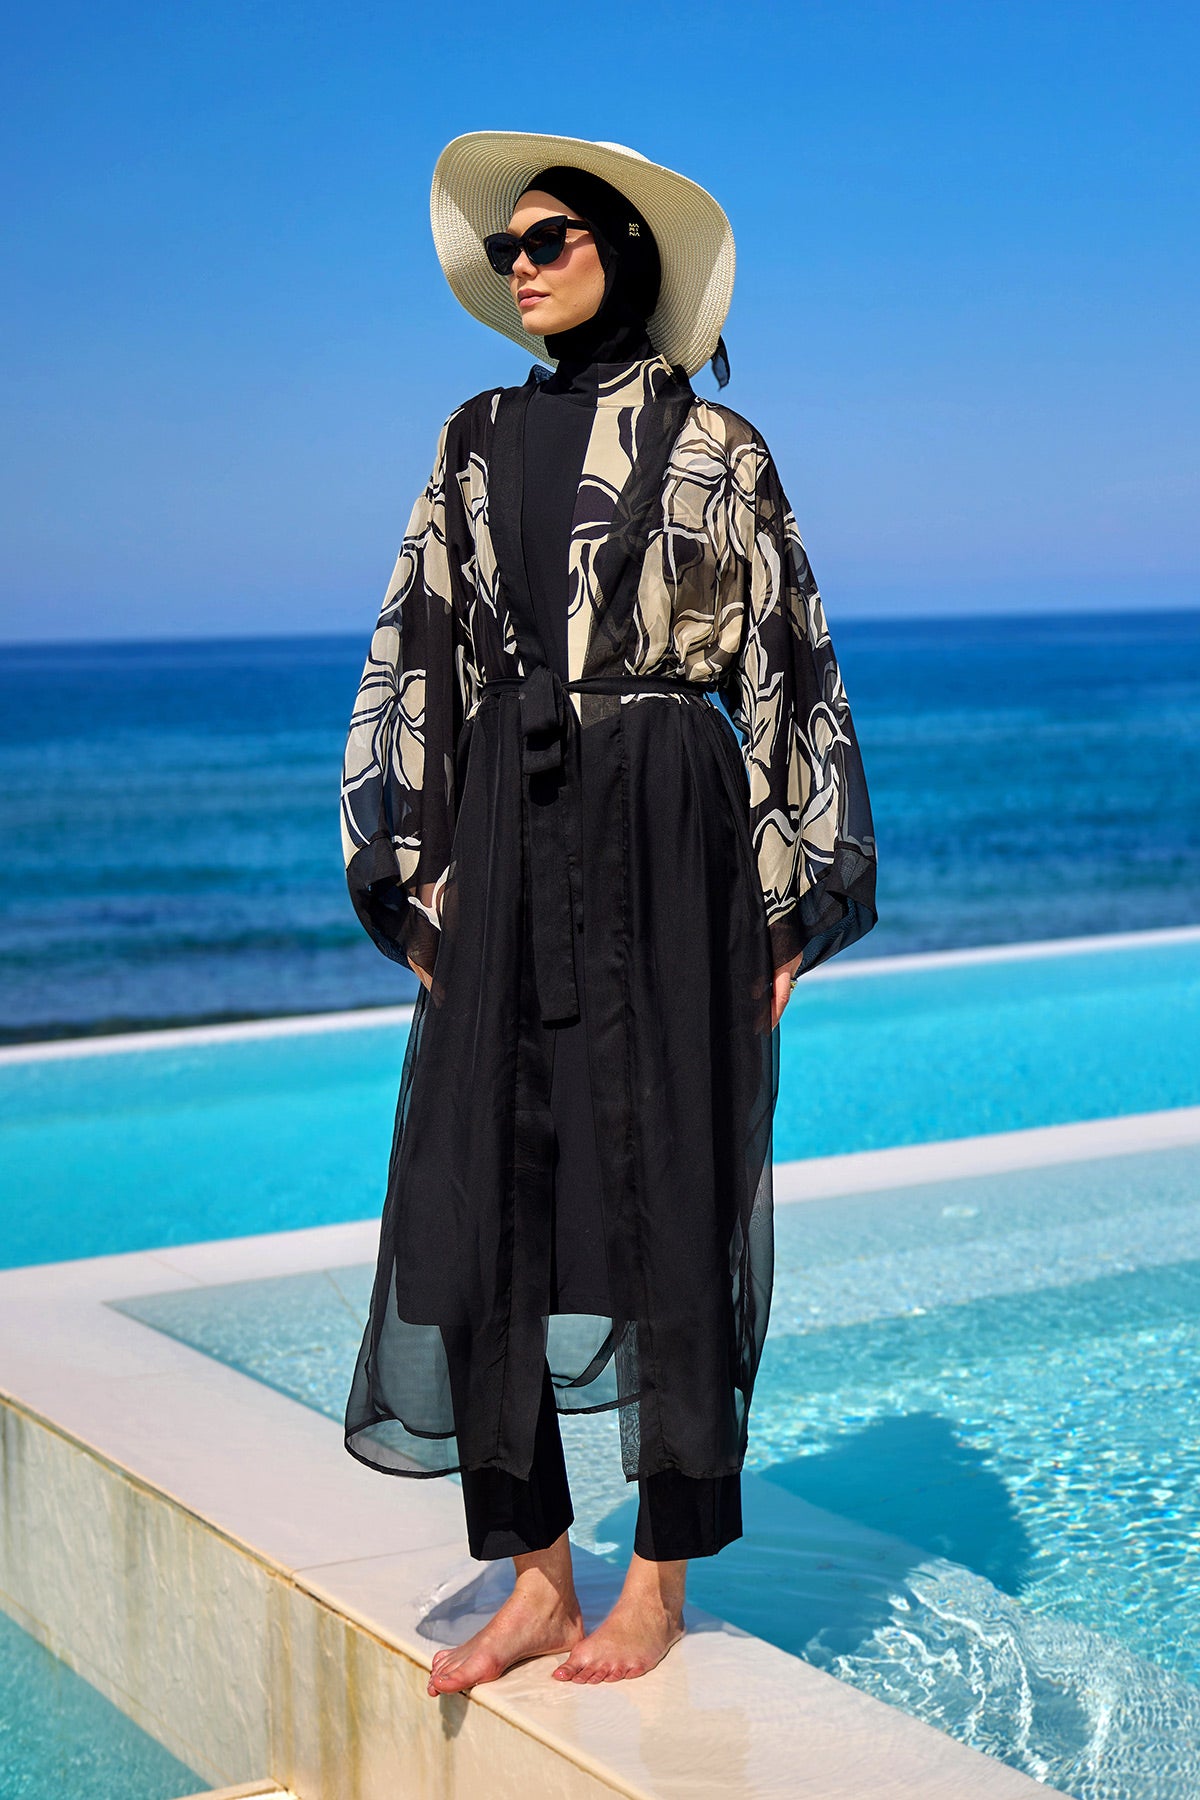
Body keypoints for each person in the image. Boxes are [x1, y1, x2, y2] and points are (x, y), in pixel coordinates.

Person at [339, 132, 878, 1694]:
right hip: (511, 835)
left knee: (671, 1185)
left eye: (549, 239)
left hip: (670, 829)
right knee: (479, 1196)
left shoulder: (724, 449)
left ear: (621, 254)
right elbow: (416, 648)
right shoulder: (471, 437)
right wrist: (419, 872)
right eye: (508, 246)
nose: (519, 264)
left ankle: (656, 1582)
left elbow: (788, 663)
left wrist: (787, 910)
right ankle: (535, 1578)